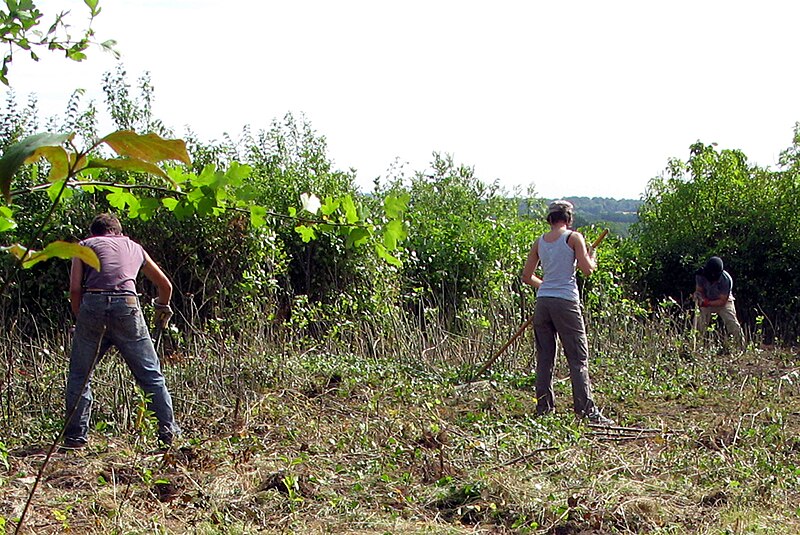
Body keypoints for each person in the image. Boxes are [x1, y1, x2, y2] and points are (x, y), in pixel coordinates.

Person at [64, 213, 180, 450]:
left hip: (93, 303)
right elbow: (165, 286)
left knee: (80, 376)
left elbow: (75, 290)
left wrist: (81, 318)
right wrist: (161, 308)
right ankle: (168, 434)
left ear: (94, 233)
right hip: (127, 305)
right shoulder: (134, 247)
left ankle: (75, 440)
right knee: (151, 376)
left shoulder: (84, 246)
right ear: (118, 231)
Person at [521, 200, 614, 425]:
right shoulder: (574, 238)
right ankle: (586, 412)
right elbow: (587, 270)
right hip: (566, 303)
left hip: (543, 302)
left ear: (550, 218)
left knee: (544, 359)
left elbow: (527, 276)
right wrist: (592, 257)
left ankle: (544, 409)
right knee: (578, 358)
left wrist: (546, 287)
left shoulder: (539, 242)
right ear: (569, 218)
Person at [694, 256, 745, 348]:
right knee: (699, 323)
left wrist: (707, 303)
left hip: (723, 303)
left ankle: (740, 346)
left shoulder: (726, 279)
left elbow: (722, 301)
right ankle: (697, 346)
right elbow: (699, 290)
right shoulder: (700, 275)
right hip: (706, 300)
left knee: (731, 322)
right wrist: (699, 297)